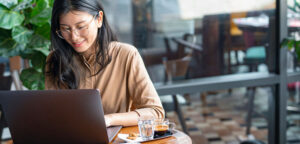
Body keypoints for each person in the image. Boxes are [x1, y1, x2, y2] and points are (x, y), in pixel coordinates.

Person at [45, 0, 164, 127]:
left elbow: (155, 113)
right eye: (66, 29)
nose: (74, 36)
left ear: (99, 19)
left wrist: (109, 120)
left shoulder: (126, 55)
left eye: (81, 27)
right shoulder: (55, 60)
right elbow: (54, 114)